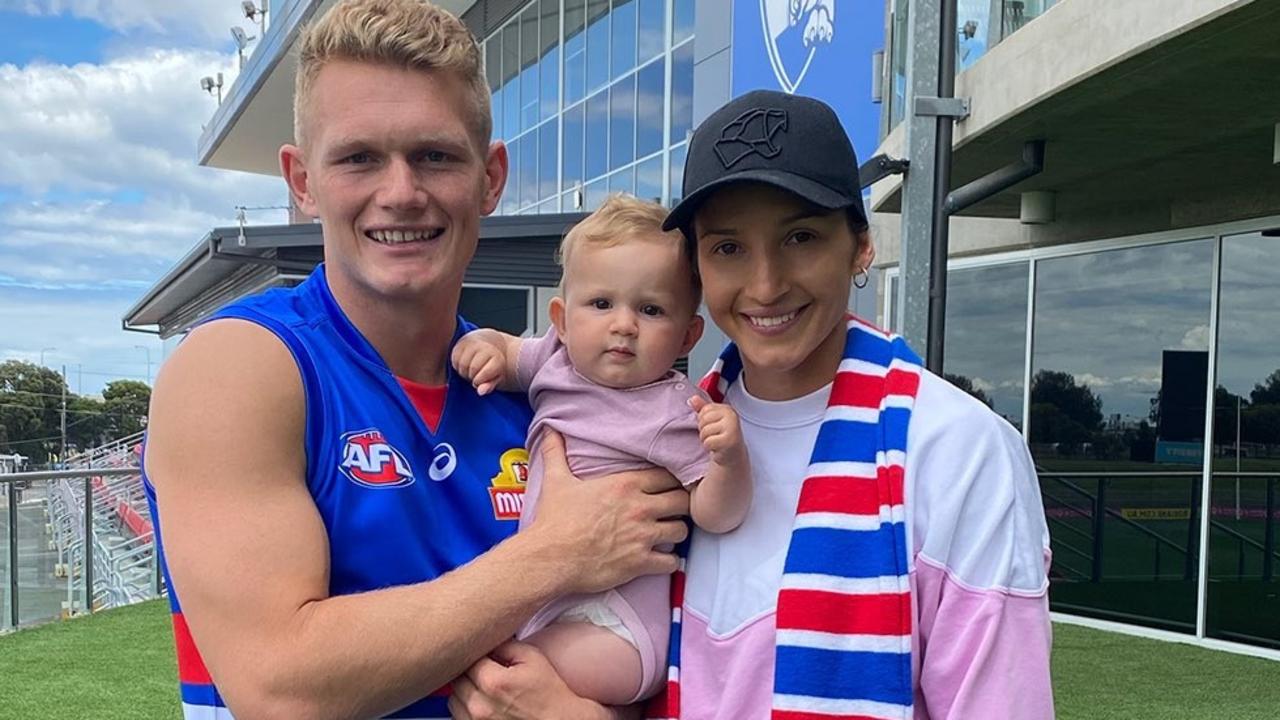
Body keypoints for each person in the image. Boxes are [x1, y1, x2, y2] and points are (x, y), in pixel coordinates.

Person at [141, 2, 688, 719]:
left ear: (491, 178)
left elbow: (657, 652)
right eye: (359, 157)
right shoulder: (242, 366)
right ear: (301, 181)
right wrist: (555, 553)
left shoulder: (543, 393)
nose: (401, 192)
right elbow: (279, 685)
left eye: (434, 155)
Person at [452, 91, 1055, 719]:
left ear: (861, 246)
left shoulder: (960, 449)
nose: (766, 285)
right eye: (729, 248)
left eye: (800, 236)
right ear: (698, 270)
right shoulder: (672, 425)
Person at [451, 194, 752, 707]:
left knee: (482, 661)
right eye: (601, 303)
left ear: (687, 335)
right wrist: (482, 347)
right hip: (556, 599)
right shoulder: (555, 358)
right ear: (562, 320)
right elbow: (508, 352)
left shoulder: (675, 410)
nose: (624, 324)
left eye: (651, 309)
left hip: (614, 627)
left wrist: (729, 460)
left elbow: (718, 513)